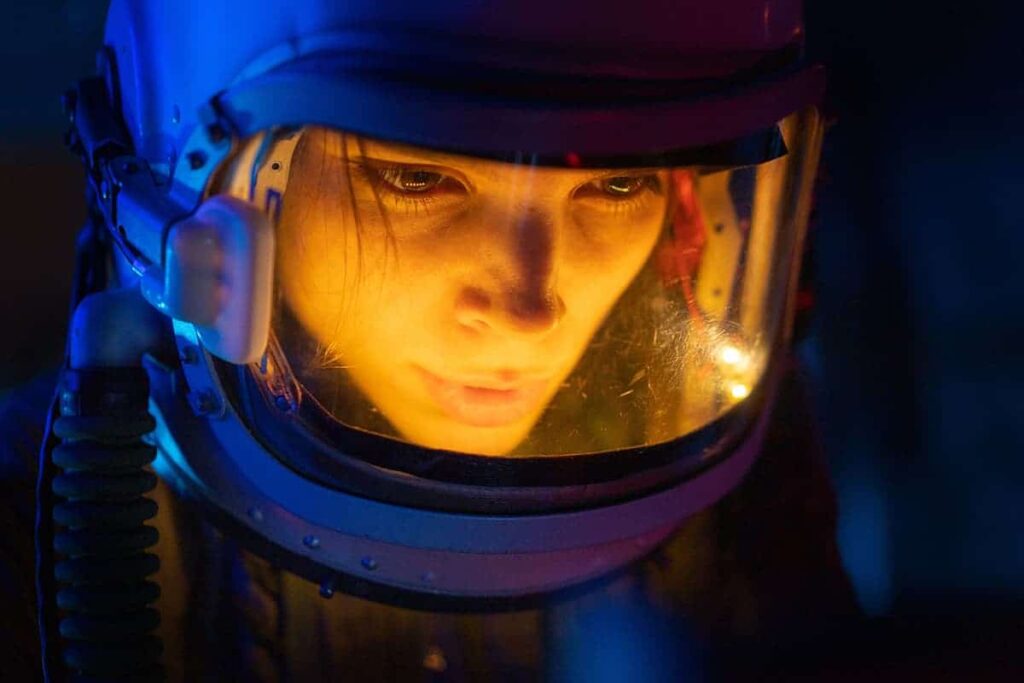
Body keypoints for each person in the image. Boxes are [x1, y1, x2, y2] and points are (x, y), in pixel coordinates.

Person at [0, 0, 860, 680]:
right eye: (415, 177)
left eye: (618, 184)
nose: (526, 307)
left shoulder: (730, 492)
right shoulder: (25, 527)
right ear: (179, 206)